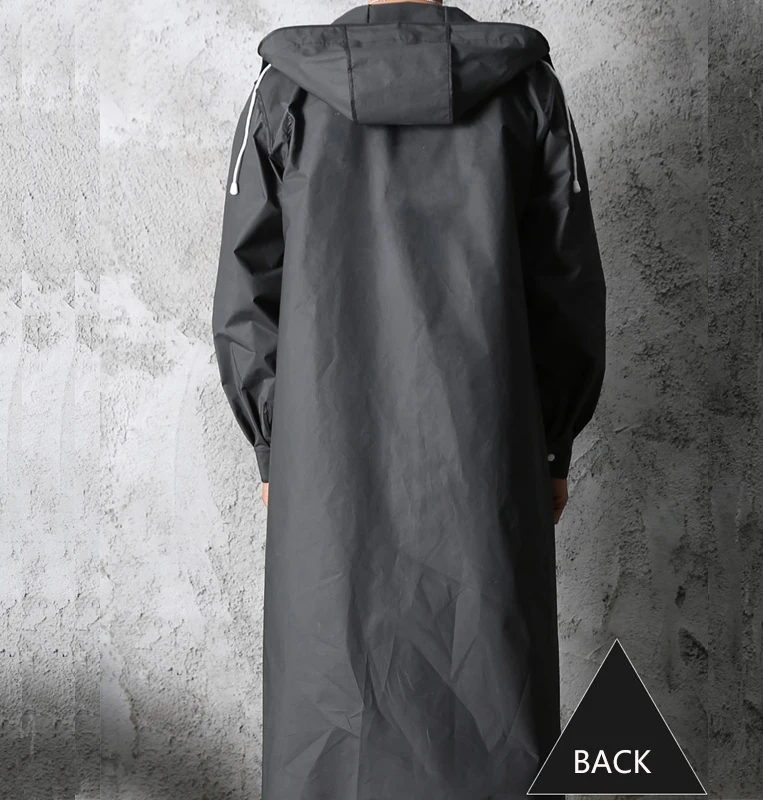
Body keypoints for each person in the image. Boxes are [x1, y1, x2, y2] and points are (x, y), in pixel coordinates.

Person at [212, 0, 606, 797]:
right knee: (494, 720)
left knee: (332, 725)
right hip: (486, 465)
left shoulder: (285, 92)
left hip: (326, 471)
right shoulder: (529, 91)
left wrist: (272, 442)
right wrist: (552, 444)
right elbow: (566, 289)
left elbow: (247, 296)